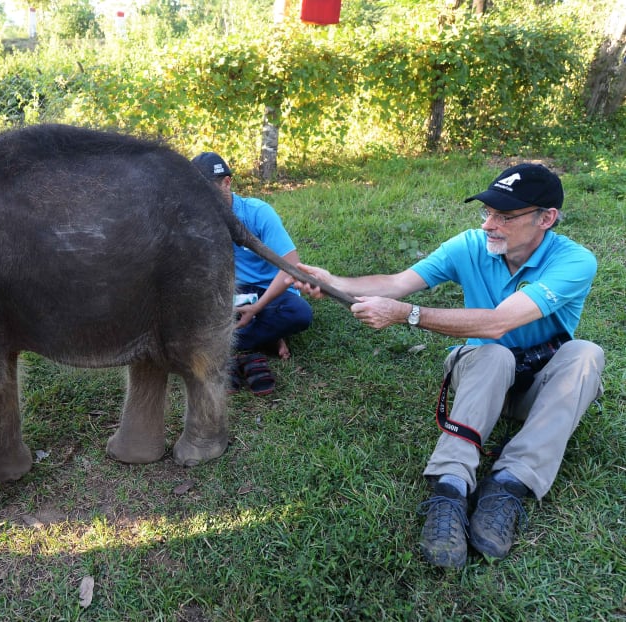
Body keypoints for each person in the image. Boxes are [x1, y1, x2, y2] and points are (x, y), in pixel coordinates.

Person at [290, 163, 604, 568]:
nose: (490, 224)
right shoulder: (470, 245)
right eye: (487, 212)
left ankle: (509, 484)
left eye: (505, 216)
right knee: (494, 353)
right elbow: (396, 283)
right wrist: (335, 281)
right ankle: (450, 488)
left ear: (546, 218)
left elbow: (497, 322)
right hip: (481, 374)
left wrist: (408, 314)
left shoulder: (575, 261)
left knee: (586, 354)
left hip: (538, 388)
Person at [192, 151, 313, 396]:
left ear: (227, 183)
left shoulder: (258, 212)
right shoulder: (195, 221)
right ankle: (264, 339)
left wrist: (257, 309)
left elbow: (292, 268)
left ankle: (229, 347)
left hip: (271, 292)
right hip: (230, 294)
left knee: (299, 314)